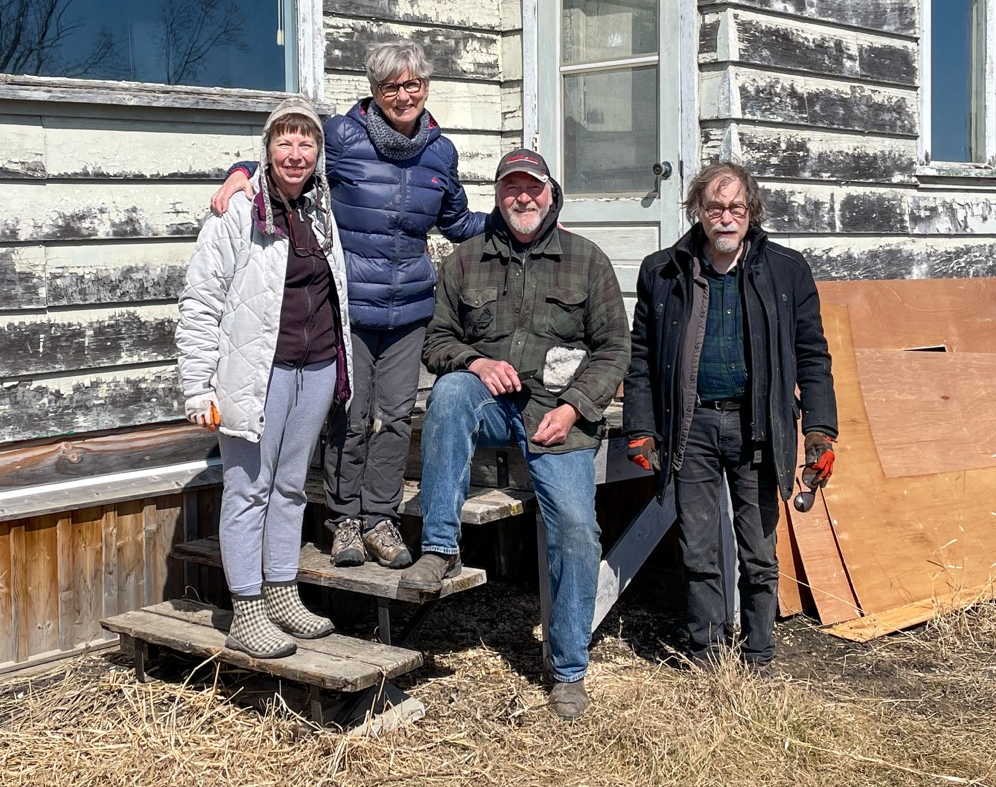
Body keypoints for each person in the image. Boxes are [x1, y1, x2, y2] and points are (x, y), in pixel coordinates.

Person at [210, 42, 486, 570]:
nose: (403, 96)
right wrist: (240, 171)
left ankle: (382, 517)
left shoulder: (440, 152)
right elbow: (290, 161)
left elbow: (456, 222)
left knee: (397, 416)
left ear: (425, 87)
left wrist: (518, 221)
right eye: (391, 87)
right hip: (348, 305)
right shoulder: (341, 135)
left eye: (413, 85)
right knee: (352, 415)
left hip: (409, 310)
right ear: (374, 90)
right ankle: (346, 521)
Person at [399, 148, 629, 720]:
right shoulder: (465, 260)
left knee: (576, 529)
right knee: (451, 392)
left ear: (550, 193)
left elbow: (614, 349)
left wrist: (577, 407)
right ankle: (440, 547)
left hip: (557, 415)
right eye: (510, 189)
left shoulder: (587, 259)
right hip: (494, 404)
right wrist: (474, 362)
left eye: (531, 188)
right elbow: (436, 341)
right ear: (498, 197)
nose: (521, 198)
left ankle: (569, 671)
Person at [623, 162, 838, 673]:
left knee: (759, 550)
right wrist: (640, 427)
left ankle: (759, 657)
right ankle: (706, 657)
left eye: (736, 208)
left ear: (751, 213)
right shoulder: (662, 270)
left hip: (757, 425)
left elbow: (812, 355)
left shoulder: (786, 270)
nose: (725, 218)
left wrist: (820, 432)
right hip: (690, 427)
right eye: (715, 207)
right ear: (698, 210)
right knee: (698, 549)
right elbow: (641, 357)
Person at [177, 97, 353, 659]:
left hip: (317, 367)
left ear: (318, 152)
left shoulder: (322, 209)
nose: (296, 153)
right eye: (285, 141)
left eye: (307, 142)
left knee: (292, 487)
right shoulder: (237, 212)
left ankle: (282, 591)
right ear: (266, 148)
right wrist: (196, 386)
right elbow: (201, 301)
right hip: (257, 372)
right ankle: (247, 608)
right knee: (248, 488)